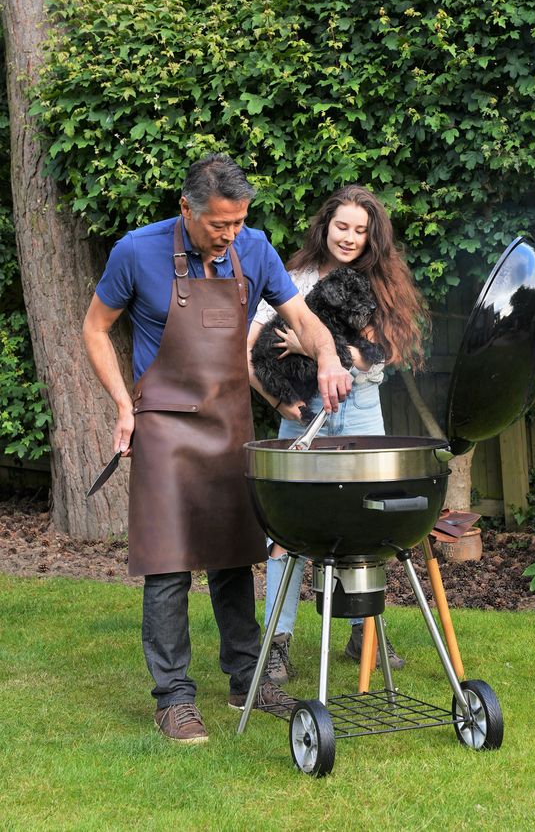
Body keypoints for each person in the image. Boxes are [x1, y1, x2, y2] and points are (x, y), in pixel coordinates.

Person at [82, 154, 352, 744]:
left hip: (229, 422)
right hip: (164, 426)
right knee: (169, 564)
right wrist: (124, 407)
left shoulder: (255, 249)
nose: (229, 235)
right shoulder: (136, 251)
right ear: (187, 209)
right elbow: (95, 328)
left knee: (234, 557)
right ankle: (174, 699)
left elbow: (301, 318)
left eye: (237, 222)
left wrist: (327, 355)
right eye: (218, 225)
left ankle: (245, 678)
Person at [247, 185, 428, 684]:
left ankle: (361, 630)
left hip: (362, 413)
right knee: (287, 531)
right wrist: (281, 403)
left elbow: (376, 355)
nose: (349, 237)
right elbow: (248, 352)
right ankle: (277, 641)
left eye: (360, 229)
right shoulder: (293, 278)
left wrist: (310, 347)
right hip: (302, 417)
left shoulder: (380, 284)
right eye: (341, 226)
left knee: (362, 523)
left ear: (373, 237)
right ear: (325, 226)